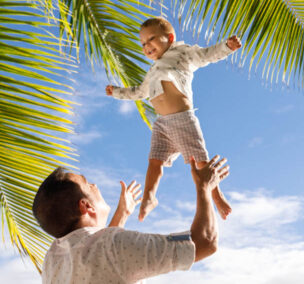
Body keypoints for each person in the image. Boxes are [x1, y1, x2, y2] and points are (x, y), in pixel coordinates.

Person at [105, 17, 242, 221]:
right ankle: (150, 197)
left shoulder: (183, 53)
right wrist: (117, 92)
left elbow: (206, 55)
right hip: (161, 123)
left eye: (151, 39)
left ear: (169, 38)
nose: (146, 46)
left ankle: (217, 195)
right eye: (143, 43)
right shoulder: (152, 71)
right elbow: (139, 92)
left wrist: (226, 47)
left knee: (199, 162)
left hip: (182, 118)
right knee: (155, 161)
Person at [32, 155, 229, 283]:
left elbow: (99, 261)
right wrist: (204, 187)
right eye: (89, 184)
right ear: (86, 206)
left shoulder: (53, 260)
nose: (96, 186)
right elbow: (204, 243)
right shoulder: (113, 246)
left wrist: (122, 214)